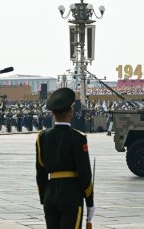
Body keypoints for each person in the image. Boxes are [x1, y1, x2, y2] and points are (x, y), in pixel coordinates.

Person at [35, 88, 95, 228]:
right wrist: (90, 203)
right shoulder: (78, 138)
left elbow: (40, 172)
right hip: (71, 194)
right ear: (71, 113)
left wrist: (44, 197)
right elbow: (84, 173)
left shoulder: (42, 137)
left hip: (50, 194)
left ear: (53, 114)